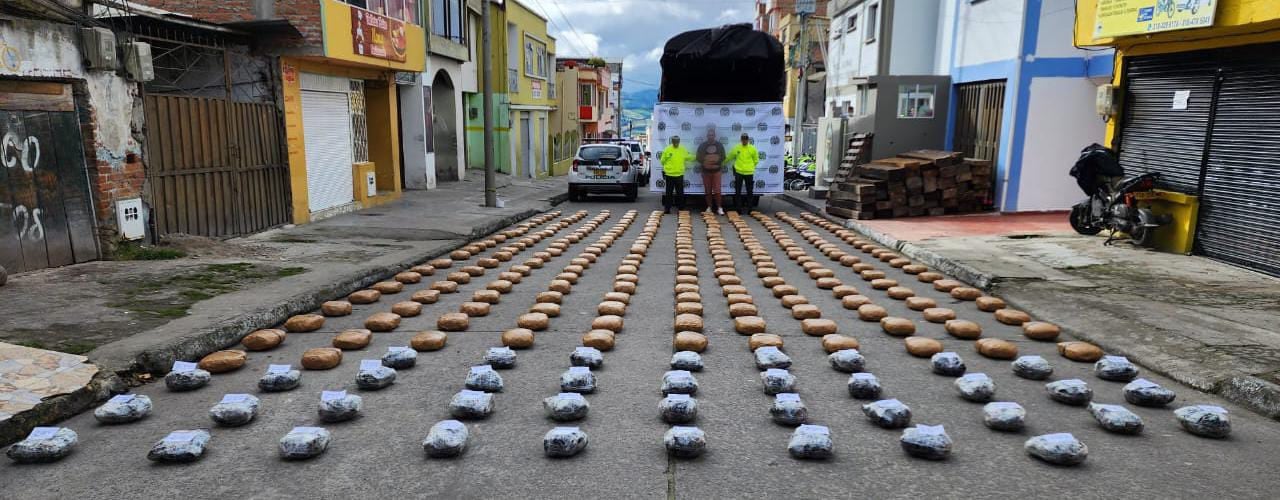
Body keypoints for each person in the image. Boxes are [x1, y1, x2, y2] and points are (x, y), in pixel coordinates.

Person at [659, 136, 695, 214]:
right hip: (669, 175)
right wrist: (667, 161)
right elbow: (662, 161)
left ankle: (681, 209)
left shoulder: (682, 149)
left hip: (679, 175)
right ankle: (667, 209)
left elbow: (688, 157)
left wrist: (696, 157)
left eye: (677, 142)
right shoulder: (667, 149)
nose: (676, 143)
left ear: (679, 141)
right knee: (669, 193)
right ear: (672, 141)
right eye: (674, 142)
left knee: (680, 193)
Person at [727, 132, 760, 211]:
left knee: (750, 191)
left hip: (749, 173)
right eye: (743, 139)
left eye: (746, 139)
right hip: (739, 172)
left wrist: (751, 167)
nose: (744, 141)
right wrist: (720, 162)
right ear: (741, 140)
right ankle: (738, 209)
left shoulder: (752, 148)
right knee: (738, 191)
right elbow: (729, 157)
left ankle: (750, 209)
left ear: (748, 140)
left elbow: (756, 160)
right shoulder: (737, 148)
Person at [695, 128, 725, 215]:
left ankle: (719, 207)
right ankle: (709, 207)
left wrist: (715, 161)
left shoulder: (719, 145)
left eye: (712, 135)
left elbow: (723, 157)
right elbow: (698, 157)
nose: (710, 136)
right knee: (707, 191)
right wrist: (705, 162)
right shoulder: (702, 145)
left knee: (717, 191)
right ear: (707, 136)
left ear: (715, 136)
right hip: (706, 171)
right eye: (709, 135)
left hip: (717, 171)